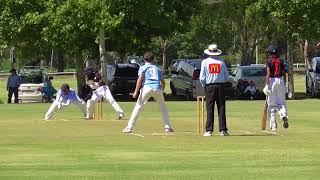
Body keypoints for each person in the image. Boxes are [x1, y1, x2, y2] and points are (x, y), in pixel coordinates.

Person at [122, 52, 174, 133]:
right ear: (153, 59)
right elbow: (163, 82)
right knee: (163, 108)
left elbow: (140, 79)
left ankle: (129, 128)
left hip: (147, 87)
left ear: (144, 59)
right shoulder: (157, 68)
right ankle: (167, 127)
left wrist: (135, 91)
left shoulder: (143, 67)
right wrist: (162, 90)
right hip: (157, 88)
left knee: (138, 107)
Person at [199, 44, 230, 137]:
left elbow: (202, 77)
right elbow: (227, 76)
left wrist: (205, 85)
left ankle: (209, 130)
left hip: (209, 86)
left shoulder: (205, 62)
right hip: (220, 86)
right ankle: (223, 130)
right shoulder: (221, 62)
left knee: (210, 108)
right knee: (221, 107)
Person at [263, 44, 289, 131]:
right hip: (281, 80)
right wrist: (284, 85)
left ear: (270, 52)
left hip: (272, 81)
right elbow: (284, 74)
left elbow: (268, 74)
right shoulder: (281, 61)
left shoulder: (268, 61)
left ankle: (273, 125)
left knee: (272, 104)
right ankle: (284, 115)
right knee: (281, 103)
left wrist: (267, 85)